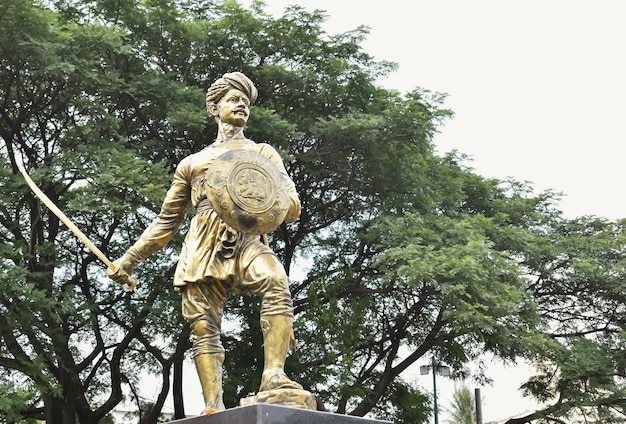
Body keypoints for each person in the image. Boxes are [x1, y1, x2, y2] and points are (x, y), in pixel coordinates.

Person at [108, 72, 303, 414]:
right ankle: (213, 403)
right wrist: (128, 259)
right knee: (204, 326)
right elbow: (167, 221)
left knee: (276, 280)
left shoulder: (263, 154)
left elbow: (293, 206)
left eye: (245, 101)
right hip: (202, 245)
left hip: (247, 238)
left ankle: (274, 374)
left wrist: (270, 202)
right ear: (214, 108)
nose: (241, 105)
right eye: (233, 99)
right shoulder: (192, 164)